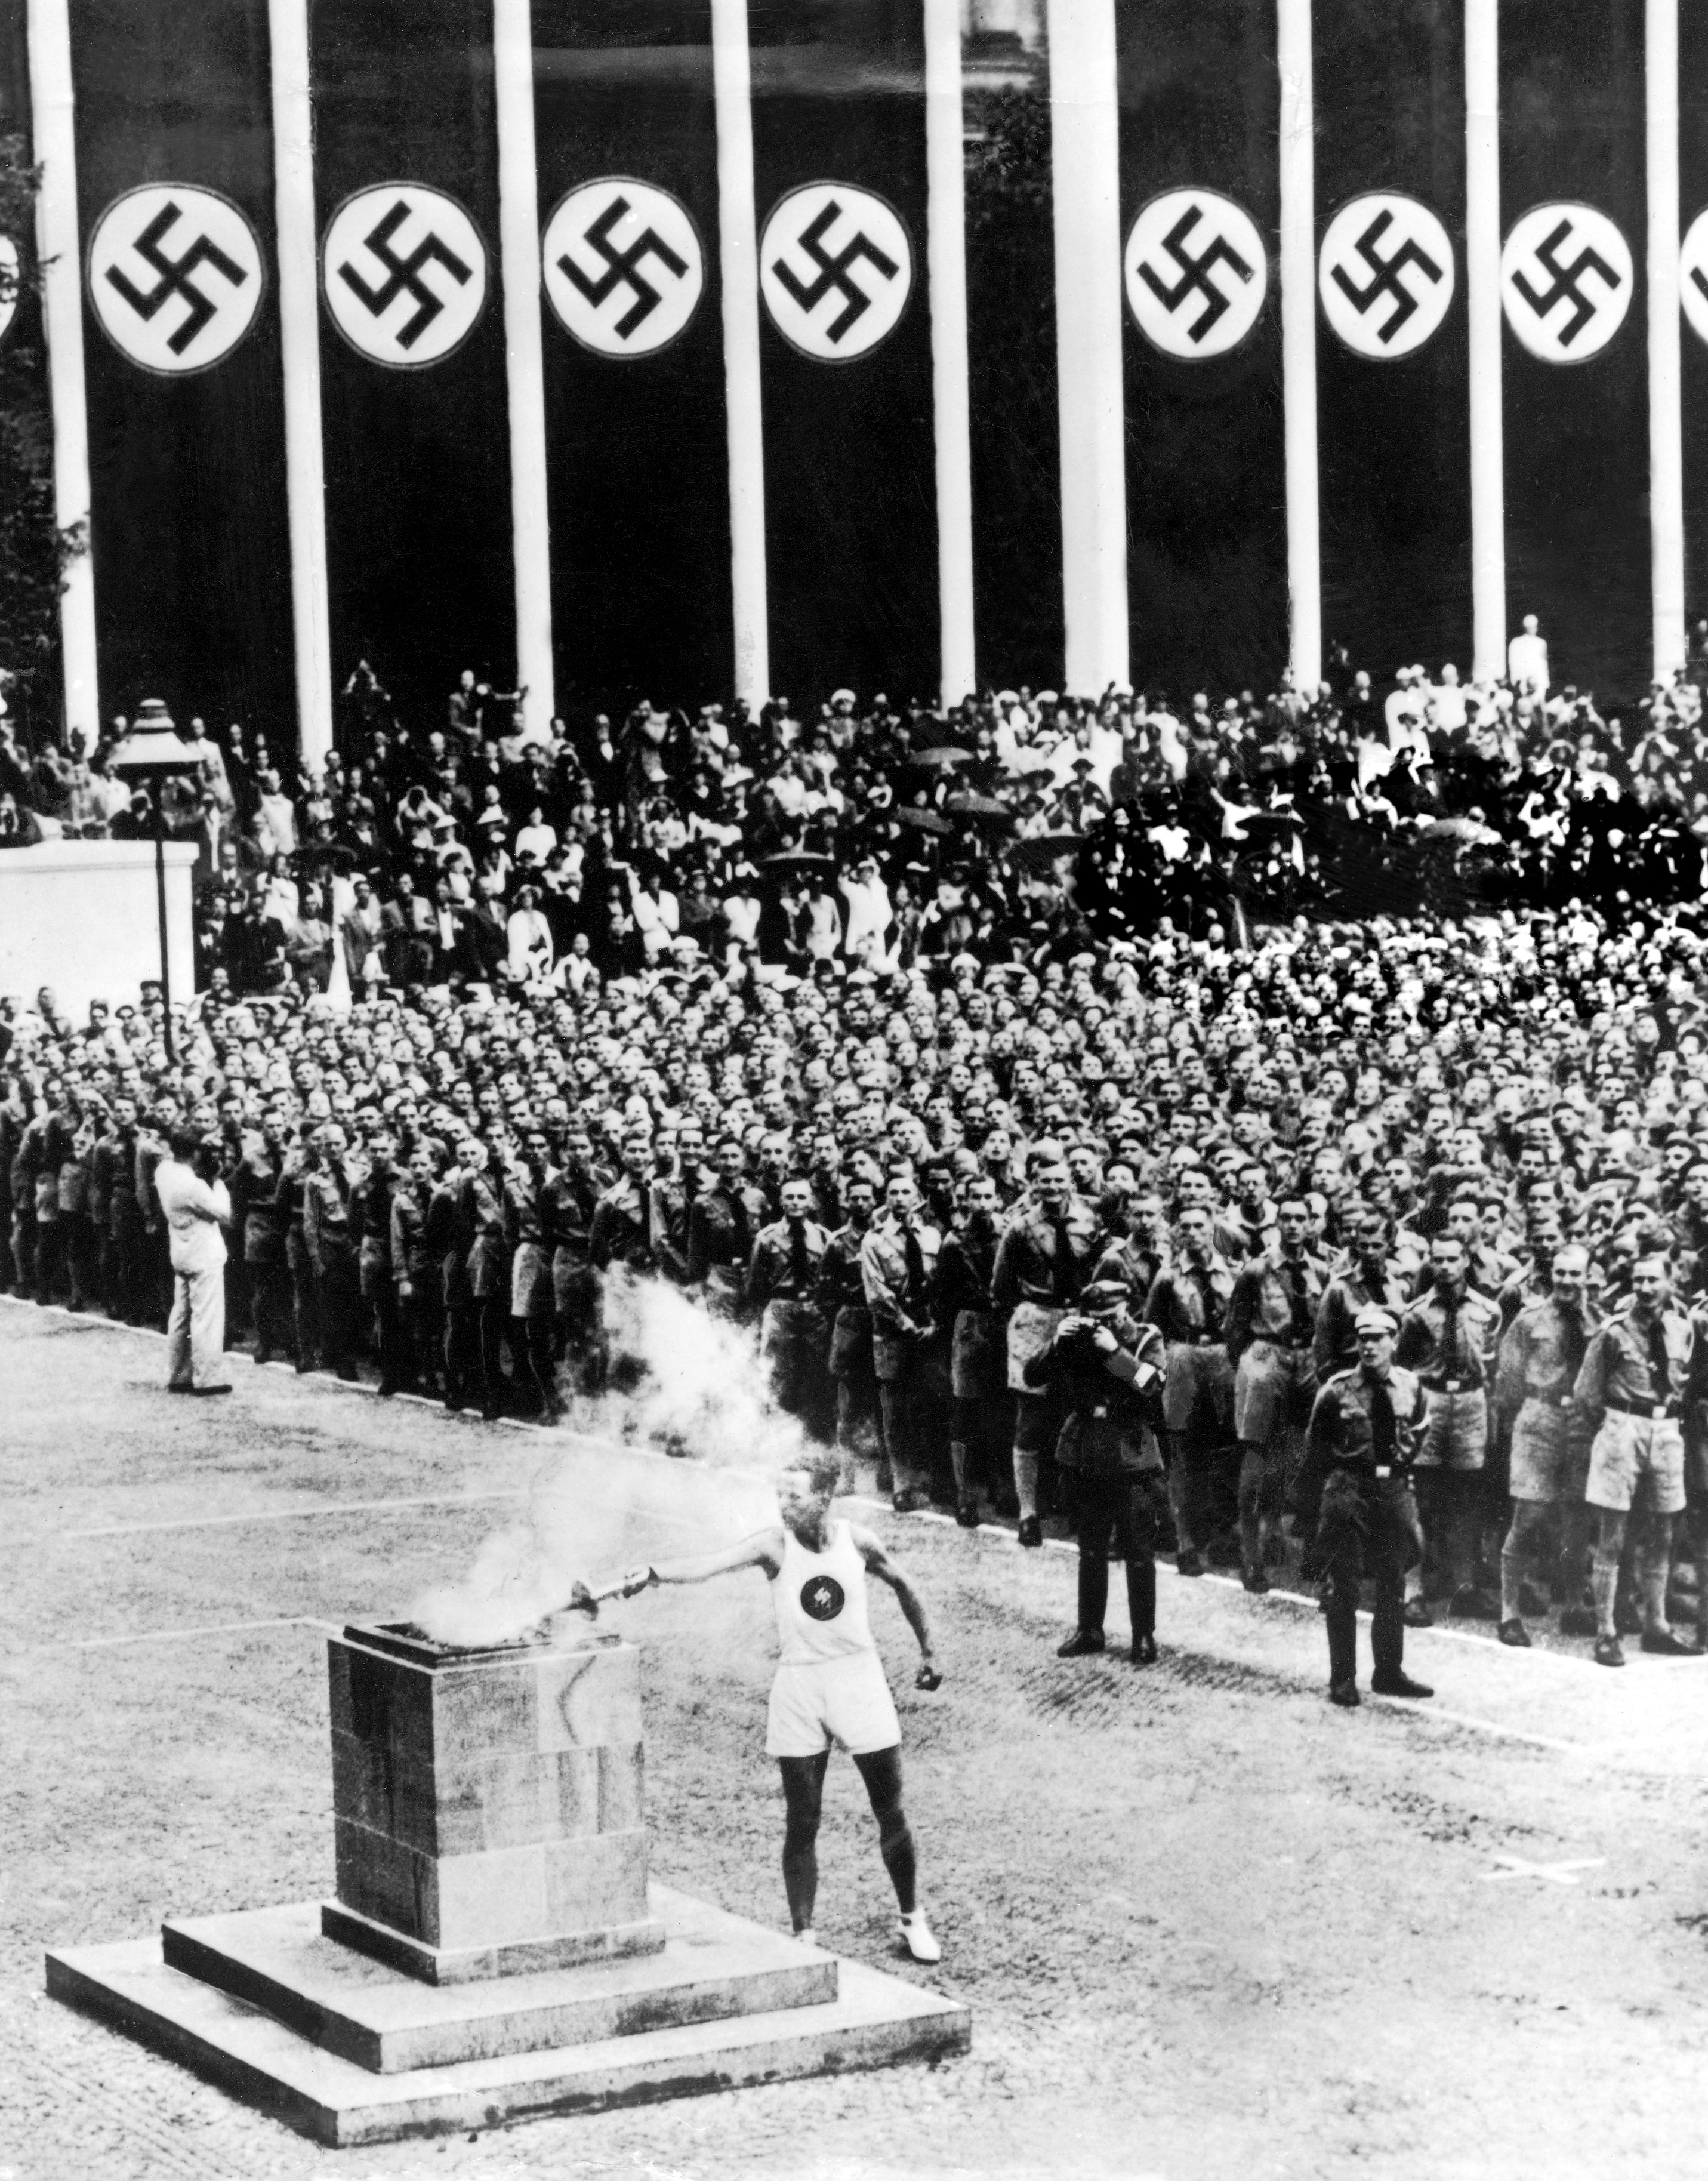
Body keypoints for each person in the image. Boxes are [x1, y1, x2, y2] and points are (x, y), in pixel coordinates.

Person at [604, 1450, 944, 1961]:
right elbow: (710, 1564)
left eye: (795, 1495)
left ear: (825, 1498)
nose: (784, 1505)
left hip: (859, 1679)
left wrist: (931, 1651)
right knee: (802, 1819)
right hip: (799, 1688)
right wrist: (653, 1571)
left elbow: (905, 1585)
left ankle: (912, 1918)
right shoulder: (773, 1546)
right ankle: (804, 1933)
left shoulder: (859, 1541)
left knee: (889, 1809)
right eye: (779, 1494)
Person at [1024, 1276, 1168, 1664]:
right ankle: (1089, 1629)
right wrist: (1056, 1342)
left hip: (1131, 1453)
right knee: (1090, 1549)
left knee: (1138, 1550)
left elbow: (1153, 1387)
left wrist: (1116, 1351)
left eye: (1109, 1315)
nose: (1100, 1323)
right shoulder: (1075, 1337)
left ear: (1125, 1309)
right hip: (1087, 1450)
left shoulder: (1144, 1338)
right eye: (1094, 1316)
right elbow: (1031, 1375)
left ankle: (1143, 1636)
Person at [1297, 1305, 1433, 1708]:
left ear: (1394, 1341)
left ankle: (1389, 1672)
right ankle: (1343, 1679)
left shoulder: (1412, 1387)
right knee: (1346, 1588)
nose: (1370, 1346)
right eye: (1363, 1339)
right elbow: (1316, 1449)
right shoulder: (1337, 1390)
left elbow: (1421, 1433)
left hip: (1391, 1489)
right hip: (1349, 1488)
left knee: (1393, 1585)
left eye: (1378, 1338)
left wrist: (1400, 1471)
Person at [1572, 1251, 1699, 1666]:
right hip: (1622, 1427)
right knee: (1612, 1535)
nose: (1644, 1289)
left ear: (1669, 1282)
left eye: (1652, 1280)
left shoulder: (1682, 1328)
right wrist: (1614, 1430)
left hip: (1666, 1431)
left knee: (1664, 1532)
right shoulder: (1612, 1332)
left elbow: (1682, 1382)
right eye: (1638, 1280)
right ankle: (1606, 1632)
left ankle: (1657, 1626)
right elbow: (1586, 1395)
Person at [155, 1126, 235, 1394]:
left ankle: (178, 1374)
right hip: (204, 1254)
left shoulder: (164, 1172)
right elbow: (224, 1214)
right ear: (197, 1152)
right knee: (206, 1317)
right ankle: (207, 1378)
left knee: (181, 1314)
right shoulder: (195, 1185)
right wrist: (220, 1182)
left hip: (181, 1251)